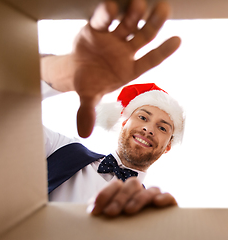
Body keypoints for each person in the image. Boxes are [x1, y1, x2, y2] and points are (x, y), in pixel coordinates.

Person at [41, 0, 183, 217]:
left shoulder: (151, 212)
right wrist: (61, 71)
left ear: (168, 147)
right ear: (124, 121)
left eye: (163, 128)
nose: (149, 129)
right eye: (143, 117)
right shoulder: (59, 149)